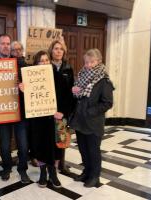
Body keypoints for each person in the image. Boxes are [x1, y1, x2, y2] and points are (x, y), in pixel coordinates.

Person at [69, 48, 114, 188]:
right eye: (86, 62)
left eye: (91, 62)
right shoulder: (82, 75)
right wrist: (74, 91)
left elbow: (107, 103)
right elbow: (79, 96)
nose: (88, 65)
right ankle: (86, 172)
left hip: (93, 122)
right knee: (83, 149)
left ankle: (95, 176)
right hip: (80, 120)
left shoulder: (104, 80)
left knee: (93, 150)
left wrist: (90, 111)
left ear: (99, 61)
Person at [19, 50, 62, 188]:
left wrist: (61, 112)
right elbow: (25, 103)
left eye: (46, 60)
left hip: (53, 118)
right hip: (37, 119)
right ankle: (43, 172)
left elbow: (64, 97)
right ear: (36, 63)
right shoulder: (29, 78)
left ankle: (53, 173)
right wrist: (23, 91)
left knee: (54, 147)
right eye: (41, 61)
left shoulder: (57, 76)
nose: (44, 63)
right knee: (40, 146)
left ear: (49, 61)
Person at [0, 34, 31, 184]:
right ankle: (6, 167)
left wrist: (24, 85)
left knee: (23, 145)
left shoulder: (21, 63)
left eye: (7, 43)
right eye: (2, 43)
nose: (5, 46)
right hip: (3, 112)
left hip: (20, 112)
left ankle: (22, 169)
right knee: (4, 145)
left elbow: (31, 86)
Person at [48, 39, 75, 175]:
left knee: (61, 137)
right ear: (51, 51)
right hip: (48, 110)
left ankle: (61, 164)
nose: (58, 51)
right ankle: (51, 163)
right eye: (56, 48)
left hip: (62, 111)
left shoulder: (68, 68)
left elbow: (70, 93)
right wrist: (51, 110)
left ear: (63, 52)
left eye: (61, 49)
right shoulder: (45, 67)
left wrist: (64, 112)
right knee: (49, 138)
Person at [11, 40, 39, 168]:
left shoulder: (29, 65)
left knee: (33, 135)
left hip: (31, 107)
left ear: (22, 50)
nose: (17, 52)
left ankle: (33, 156)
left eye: (19, 49)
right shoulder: (6, 66)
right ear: (10, 52)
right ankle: (22, 160)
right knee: (21, 139)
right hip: (16, 108)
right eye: (14, 50)